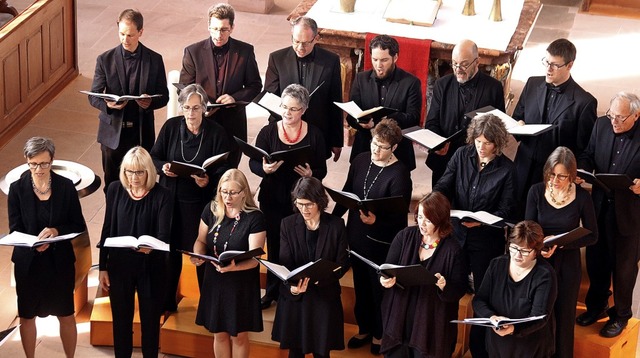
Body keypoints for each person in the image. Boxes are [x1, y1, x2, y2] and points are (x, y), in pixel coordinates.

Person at [432, 113, 516, 357]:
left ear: (497, 144)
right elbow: (444, 185)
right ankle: (443, 343)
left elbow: (507, 210)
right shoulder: (461, 155)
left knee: (483, 296)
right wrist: (437, 203)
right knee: (448, 287)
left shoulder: (507, 170)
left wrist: (482, 223)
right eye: (478, 141)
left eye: (487, 143)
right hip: (457, 234)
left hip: (486, 240)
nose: (481, 147)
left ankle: (480, 350)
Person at [332, 118, 412, 355]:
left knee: (379, 292)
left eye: (383, 147)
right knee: (361, 287)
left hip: (381, 242)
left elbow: (400, 219)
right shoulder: (360, 160)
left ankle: (379, 333)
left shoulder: (400, 174)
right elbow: (348, 190)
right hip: (356, 235)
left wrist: (377, 221)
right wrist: (334, 220)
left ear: (394, 148)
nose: (376, 150)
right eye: (374, 143)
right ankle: (364, 328)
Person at [150, 83, 231, 311]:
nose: (191, 113)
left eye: (196, 108)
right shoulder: (171, 127)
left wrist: (208, 180)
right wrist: (162, 167)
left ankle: (207, 305)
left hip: (199, 203)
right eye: (186, 108)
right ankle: (166, 302)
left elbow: (223, 169)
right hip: (170, 200)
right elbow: (155, 156)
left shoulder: (216, 132)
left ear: (204, 108)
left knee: (200, 253)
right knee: (169, 252)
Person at [248, 83, 327, 310]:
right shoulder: (268, 132)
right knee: (274, 245)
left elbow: (322, 169)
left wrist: (312, 174)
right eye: (284, 107)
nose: (287, 113)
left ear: (303, 110)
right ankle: (273, 291)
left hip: (301, 201)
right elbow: (254, 162)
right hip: (273, 197)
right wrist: (264, 169)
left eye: (293, 109)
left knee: (299, 245)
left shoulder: (314, 134)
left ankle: (296, 288)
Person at [8, 137, 86, 358]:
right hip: (28, 264)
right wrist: (35, 245)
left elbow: (78, 224)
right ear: (27, 161)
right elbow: (15, 228)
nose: (39, 169)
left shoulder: (65, 187)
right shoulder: (17, 189)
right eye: (33, 164)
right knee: (27, 316)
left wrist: (55, 231)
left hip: (59, 262)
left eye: (44, 163)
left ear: (52, 160)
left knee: (66, 314)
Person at [98, 146, 173, 357]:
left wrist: (151, 247)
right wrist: (103, 267)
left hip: (151, 267)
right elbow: (107, 230)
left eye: (140, 172)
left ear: (149, 171)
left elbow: (164, 234)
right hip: (120, 267)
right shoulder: (115, 190)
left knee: (150, 324)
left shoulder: (163, 195)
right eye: (130, 171)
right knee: (121, 323)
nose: (134, 177)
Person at [577, 91, 640, 338]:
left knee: (624, 269)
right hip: (600, 207)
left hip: (630, 214)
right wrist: (582, 170)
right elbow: (588, 154)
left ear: (636, 115)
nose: (614, 121)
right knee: (596, 262)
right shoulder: (602, 124)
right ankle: (596, 307)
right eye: (611, 115)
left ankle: (622, 315)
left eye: (621, 118)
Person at [525, 146, 597, 357]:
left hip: (568, 265)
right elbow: (526, 229)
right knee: (539, 317)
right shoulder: (536, 191)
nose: (555, 180)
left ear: (572, 176)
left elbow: (592, 235)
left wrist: (562, 244)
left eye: (562, 176)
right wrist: (540, 246)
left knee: (565, 319)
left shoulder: (582, 197)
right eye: (552, 174)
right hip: (539, 262)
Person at [88, 9, 169, 194]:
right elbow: (93, 95)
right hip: (112, 134)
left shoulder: (155, 60)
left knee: (144, 185)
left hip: (141, 131)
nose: (125, 39)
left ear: (141, 32)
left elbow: (164, 96)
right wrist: (107, 105)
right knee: (112, 186)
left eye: (131, 35)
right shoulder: (104, 59)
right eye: (122, 34)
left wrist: (150, 102)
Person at [379, 192, 468, 358]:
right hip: (401, 315)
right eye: (419, 217)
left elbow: (459, 288)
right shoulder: (404, 236)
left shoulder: (453, 249)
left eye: (428, 220)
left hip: (430, 321)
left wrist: (444, 286)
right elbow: (387, 270)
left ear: (441, 220)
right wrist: (385, 280)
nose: (422, 224)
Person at [512, 38, 597, 211]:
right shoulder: (532, 84)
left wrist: (578, 173)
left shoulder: (584, 102)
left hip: (554, 177)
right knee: (514, 217)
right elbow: (518, 117)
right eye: (546, 62)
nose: (548, 69)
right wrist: (517, 126)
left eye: (555, 65)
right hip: (522, 168)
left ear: (569, 65)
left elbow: (586, 148)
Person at [191, 169, 266, 358]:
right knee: (219, 333)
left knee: (239, 336)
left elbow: (254, 259)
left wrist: (235, 267)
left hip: (240, 282)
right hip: (215, 279)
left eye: (233, 192)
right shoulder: (212, 209)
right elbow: (200, 240)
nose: (227, 197)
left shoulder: (255, 218)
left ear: (244, 193)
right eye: (224, 192)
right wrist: (198, 254)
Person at [271, 177, 349, 358]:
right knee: (295, 352)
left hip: (324, 298)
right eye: (299, 204)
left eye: (308, 204)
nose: (303, 209)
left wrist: (320, 278)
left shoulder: (336, 225)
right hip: (296, 299)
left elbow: (342, 263)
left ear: (320, 202)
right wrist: (293, 287)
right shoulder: (287, 224)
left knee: (322, 353)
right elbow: (285, 262)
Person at [180, 3, 262, 168]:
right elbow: (184, 87)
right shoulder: (192, 52)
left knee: (230, 172)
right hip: (202, 123)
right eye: (215, 28)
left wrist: (234, 98)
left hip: (232, 125)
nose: (219, 34)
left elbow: (255, 85)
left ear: (232, 27)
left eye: (224, 29)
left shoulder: (245, 51)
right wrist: (201, 103)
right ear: (208, 26)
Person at [425, 39, 505, 185]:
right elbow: (432, 122)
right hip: (444, 160)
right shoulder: (442, 85)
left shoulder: (493, 88)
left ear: (477, 62)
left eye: (464, 64)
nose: (458, 68)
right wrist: (439, 144)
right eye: (454, 63)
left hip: (476, 161)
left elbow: (498, 128)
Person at [473, 220, 558, 358]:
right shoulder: (497, 265)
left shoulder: (545, 274)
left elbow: (540, 317)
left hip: (530, 346)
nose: (517, 255)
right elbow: (479, 300)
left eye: (524, 251)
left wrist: (513, 328)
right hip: (498, 343)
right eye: (514, 248)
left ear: (536, 251)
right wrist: (491, 317)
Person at [264, 16, 343, 161]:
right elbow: (269, 97)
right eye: (296, 41)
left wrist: (337, 141)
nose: (300, 48)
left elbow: (335, 101)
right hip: (284, 132)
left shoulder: (330, 61)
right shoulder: (277, 58)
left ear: (316, 38)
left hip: (316, 132)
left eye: (306, 43)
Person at [348, 34, 421, 171]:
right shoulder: (360, 79)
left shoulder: (410, 82)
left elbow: (413, 118)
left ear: (395, 58)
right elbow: (351, 117)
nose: (378, 65)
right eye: (374, 59)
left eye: (384, 60)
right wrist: (361, 123)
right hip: (365, 149)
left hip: (398, 151)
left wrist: (380, 121)